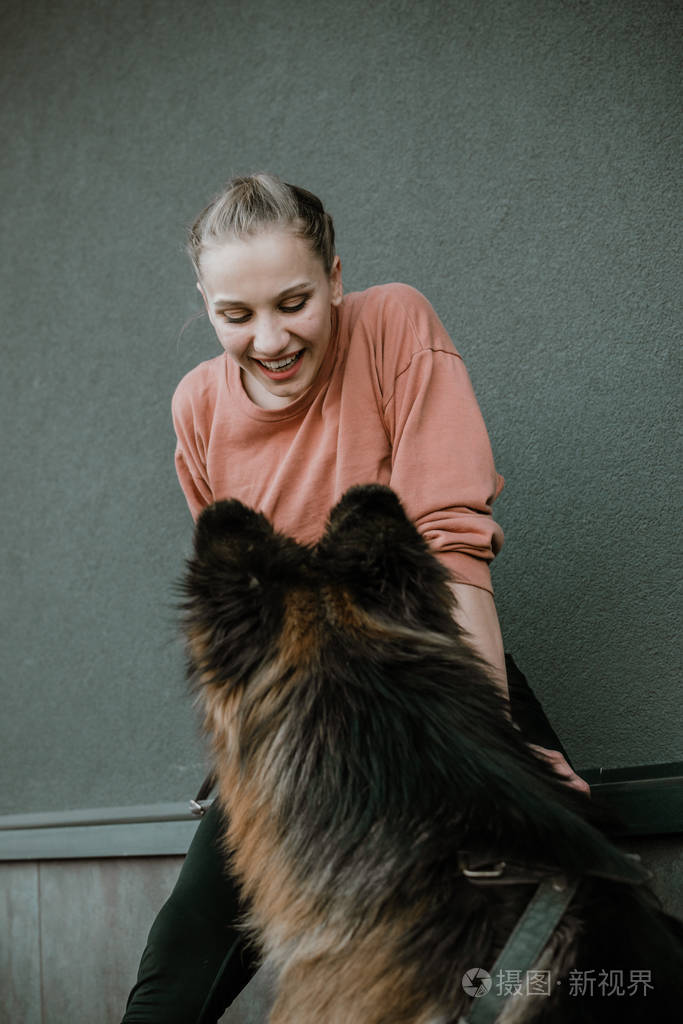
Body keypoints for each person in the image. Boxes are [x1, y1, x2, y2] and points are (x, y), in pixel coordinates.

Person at [122, 173, 589, 1023]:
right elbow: (237, 606)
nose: (269, 338)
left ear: (335, 275)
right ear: (205, 304)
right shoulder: (196, 406)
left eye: (294, 301)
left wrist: (496, 742)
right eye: (236, 316)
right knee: (173, 983)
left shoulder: (394, 325)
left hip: (433, 674)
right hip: (295, 720)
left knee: (569, 924)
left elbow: (448, 546)